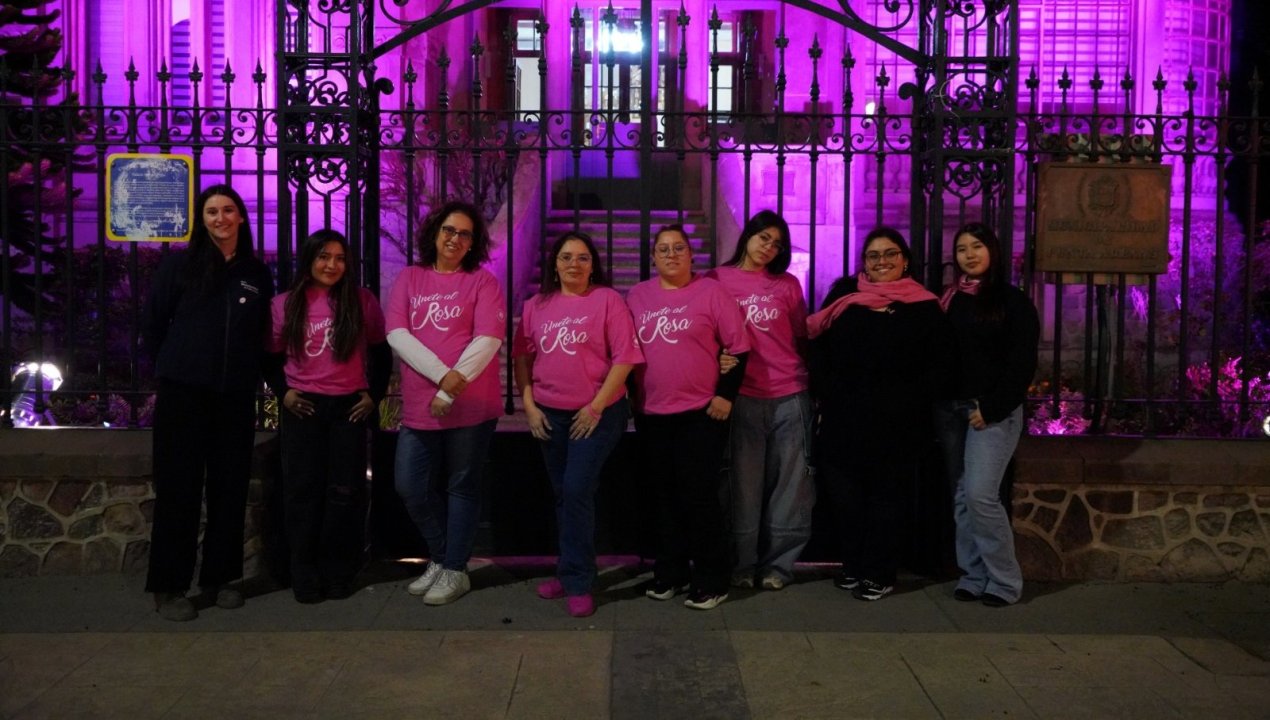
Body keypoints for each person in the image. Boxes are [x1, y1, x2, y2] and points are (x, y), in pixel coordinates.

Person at [143, 184, 274, 621]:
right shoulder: (179, 266)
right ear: (202, 220)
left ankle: (222, 578)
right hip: (183, 393)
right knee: (178, 489)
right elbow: (153, 325)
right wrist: (173, 368)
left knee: (229, 487)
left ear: (241, 217)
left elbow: (261, 334)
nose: (221, 218)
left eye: (228, 210)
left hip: (234, 395)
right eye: (212, 211)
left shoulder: (256, 273)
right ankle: (169, 586)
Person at [808, 226, 953, 602]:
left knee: (886, 499)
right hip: (844, 417)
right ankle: (852, 563)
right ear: (864, 262)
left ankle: (879, 571)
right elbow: (818, 346)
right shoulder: (844, 295)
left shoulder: (924, 306)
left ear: (905, 260)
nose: (881, 261)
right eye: (873, 255)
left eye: (890, 254)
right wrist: (828, 390)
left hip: (897, 422)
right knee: (846, 497)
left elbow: (938, 365)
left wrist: (907, 398)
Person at [513, 231, 643, 618]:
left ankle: (579, 580)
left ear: (593, 265)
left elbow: (625, 358)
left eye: (583, 257)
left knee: (575, 489)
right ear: (554, 265)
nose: (574, 264)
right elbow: (522, 357)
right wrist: (529, 405)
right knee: (563, 494)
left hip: (598, 413)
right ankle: (569, 570)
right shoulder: (536, 305)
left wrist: (595, 406)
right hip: (549, 413)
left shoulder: (608, 301)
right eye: (566, 257)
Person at [386, 200, 505, 606]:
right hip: (421, 404)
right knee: (410, 486)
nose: (455, 238)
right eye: (449, 230)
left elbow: (488, 339)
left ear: (473, 243)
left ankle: (455, 568)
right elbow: (397, 334)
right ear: (435, 233)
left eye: (465, 234)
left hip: (471, 405)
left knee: (462, 487)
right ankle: (440, 556)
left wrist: (449, 391)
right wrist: (441, 378)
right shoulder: (410, 277)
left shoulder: (482, 282)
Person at [627, 224, 750, 611]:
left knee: (699, 497)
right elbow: (626, 349)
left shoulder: (711, 292)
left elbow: (738, 347)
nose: (671, 254)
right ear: (653, 257)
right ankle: (671, 572)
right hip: (652, 413)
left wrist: (725, 395)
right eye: (663, 249)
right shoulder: (637, 296)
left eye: (678, 248)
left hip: (701, 414)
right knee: (664, 497)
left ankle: (713, 578)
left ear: (690, 254)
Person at [268, 229, 390, 604]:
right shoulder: (284, 304)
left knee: (344, 492)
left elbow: (381, 353)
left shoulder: (362, 301)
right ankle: (302, 571)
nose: (331, 265)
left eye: (339, 258)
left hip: (347, 409)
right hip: (303, 407)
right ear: (309, 260)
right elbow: (270, 356)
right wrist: (284, 393)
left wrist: (373, 396)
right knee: (302, 491)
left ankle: (338, 571)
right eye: (323, 257)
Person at [934, 222, 1039, 607]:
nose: (969, 254)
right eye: (962, 249)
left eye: (977, 246)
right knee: (963, 496)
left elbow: (1021, 364)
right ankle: (973, 574)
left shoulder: (1013, 302)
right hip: (952, 409)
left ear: (992, 250)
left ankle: (1005, 581)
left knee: (981, 495)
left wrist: (991, 407)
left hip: (991, 412)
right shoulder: (950, 299)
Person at [708, 210, 813, 591]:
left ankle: (779, 567)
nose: (769, 247)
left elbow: (800, 336)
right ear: (748, 235)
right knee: (743, 485)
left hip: (790, 392)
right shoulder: (716, 280)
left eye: (777, 244)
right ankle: (742, 564)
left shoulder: (787, 284)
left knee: (790, 484)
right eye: (764, 237)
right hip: (743, 395)